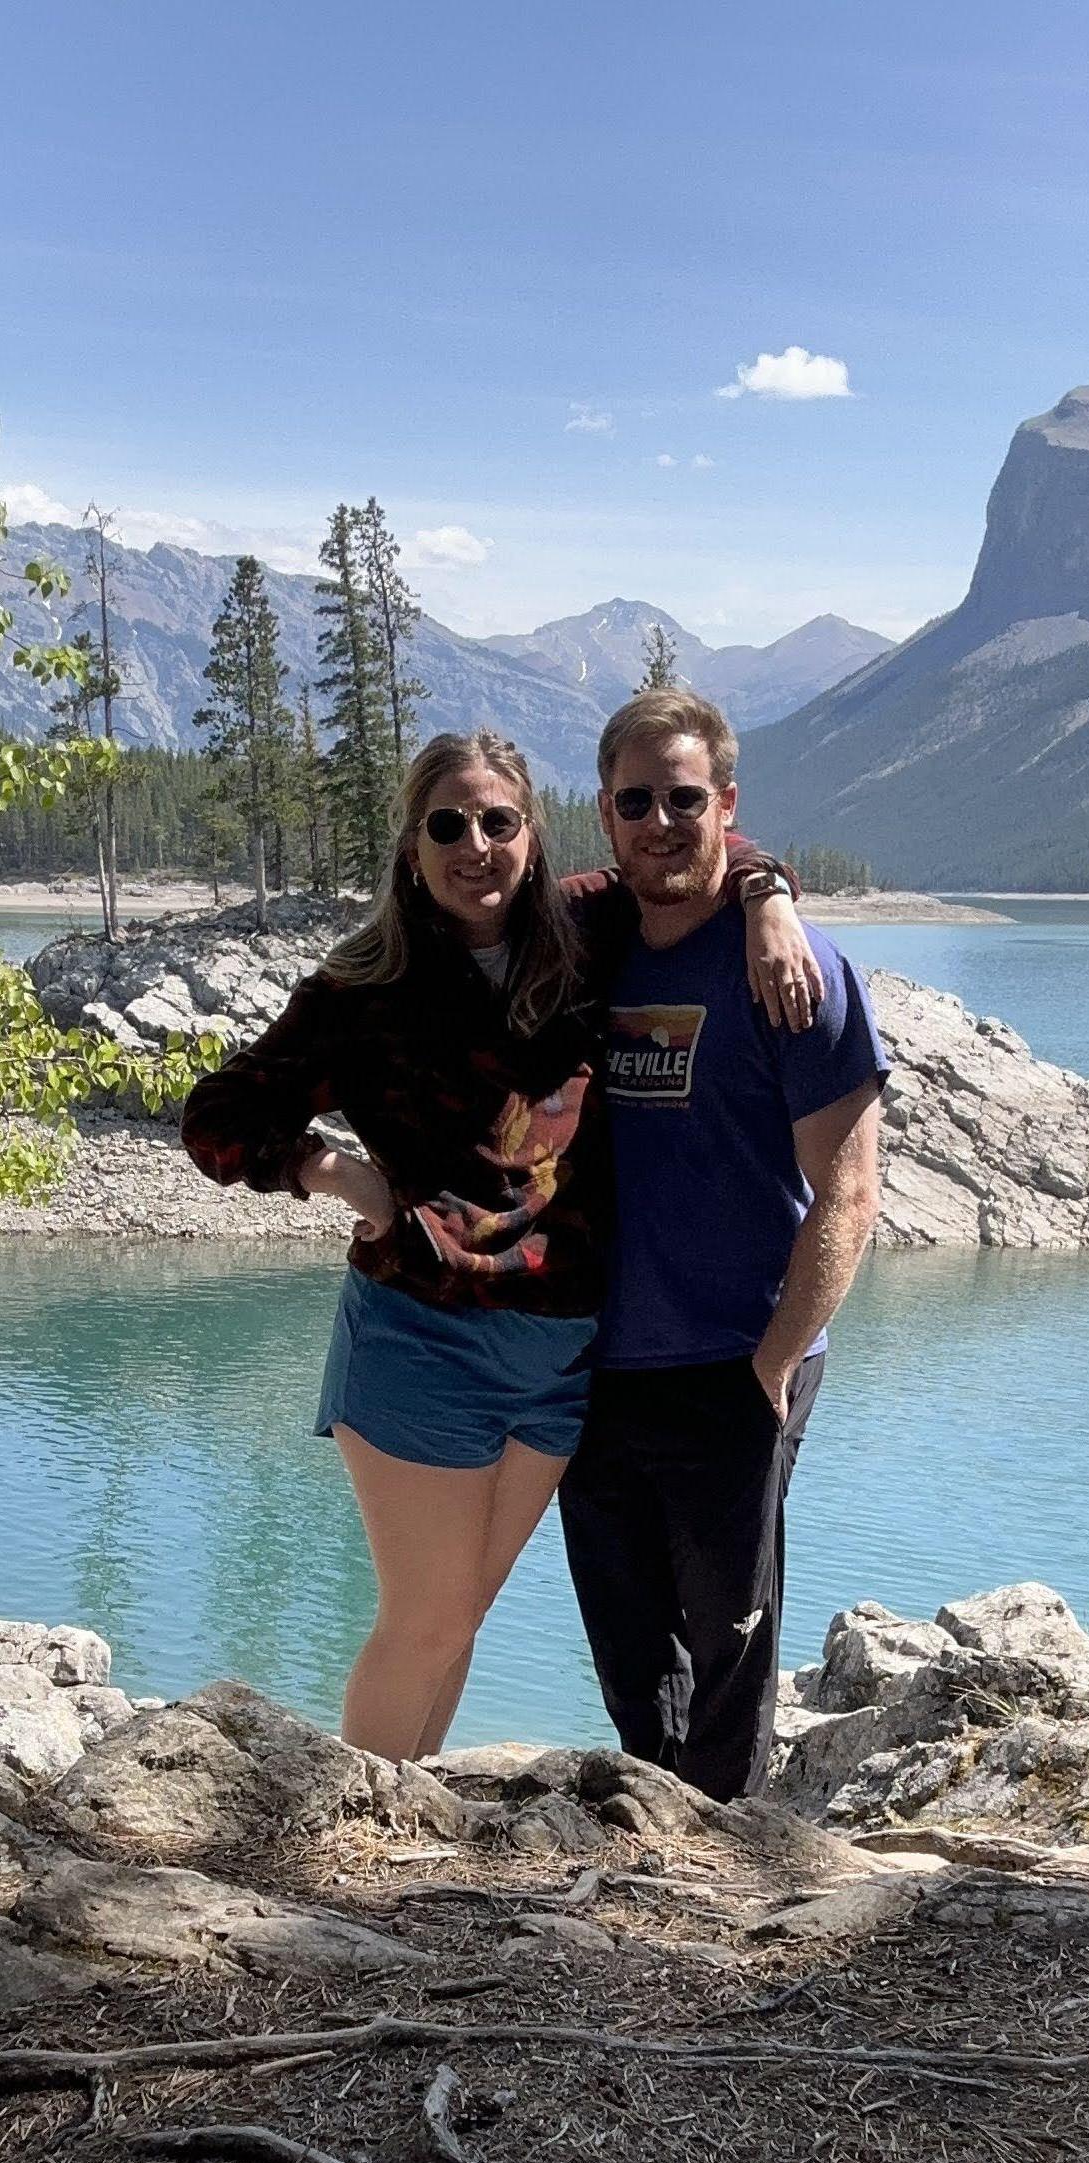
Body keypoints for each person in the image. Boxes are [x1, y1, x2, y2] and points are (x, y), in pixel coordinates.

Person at [180, 728, 816, 1762]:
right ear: (411, 845)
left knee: (458, 1618)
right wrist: (331, 1173)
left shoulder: (584, 930)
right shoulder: (365, 984)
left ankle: (400, 1815)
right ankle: (347, 1837)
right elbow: (215, 1117)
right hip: (420, 1340)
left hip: (559, 1352)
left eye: (496, 821)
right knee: (423, 1620)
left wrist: (769, 897)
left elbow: (692, 849)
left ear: (531, 833)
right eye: (446, 825)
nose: (472, 845)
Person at [559, 688, 888, 1802]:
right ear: (604, 815)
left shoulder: (791, 970)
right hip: (596, 1361)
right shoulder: (585, 949)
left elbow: (847, 1190)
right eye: (636, 800)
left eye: (685, 799)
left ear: (725, 804)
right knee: (627, 1645)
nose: (662, 821)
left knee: (728, 1651)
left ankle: (718, 1882)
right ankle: (652, 1860)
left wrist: (771, 1363)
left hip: (736, 1360)